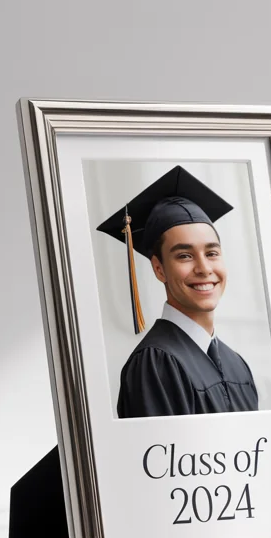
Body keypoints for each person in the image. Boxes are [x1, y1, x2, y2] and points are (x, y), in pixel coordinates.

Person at [96, 166, 259, 419]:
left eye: (212, 253)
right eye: (184, 255)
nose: (204, 268)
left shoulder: (236, 364)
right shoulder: (155, 364)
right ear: (159, 269)